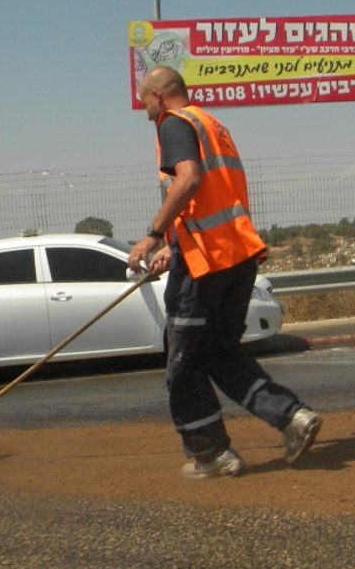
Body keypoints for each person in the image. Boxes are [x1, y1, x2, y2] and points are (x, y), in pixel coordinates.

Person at [128, 66, 321, 479]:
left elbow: (190, 180)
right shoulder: (211, 123)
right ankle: (293, 418)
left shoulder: (173, 124)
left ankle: (212, 454)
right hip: (238, 256)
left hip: (207, 266)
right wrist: (173, 246)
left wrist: (151, 236)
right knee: (220, 352)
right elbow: (210, 198)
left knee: (184, 365)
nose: (141, 107)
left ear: (160, 96)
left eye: (143, 99)